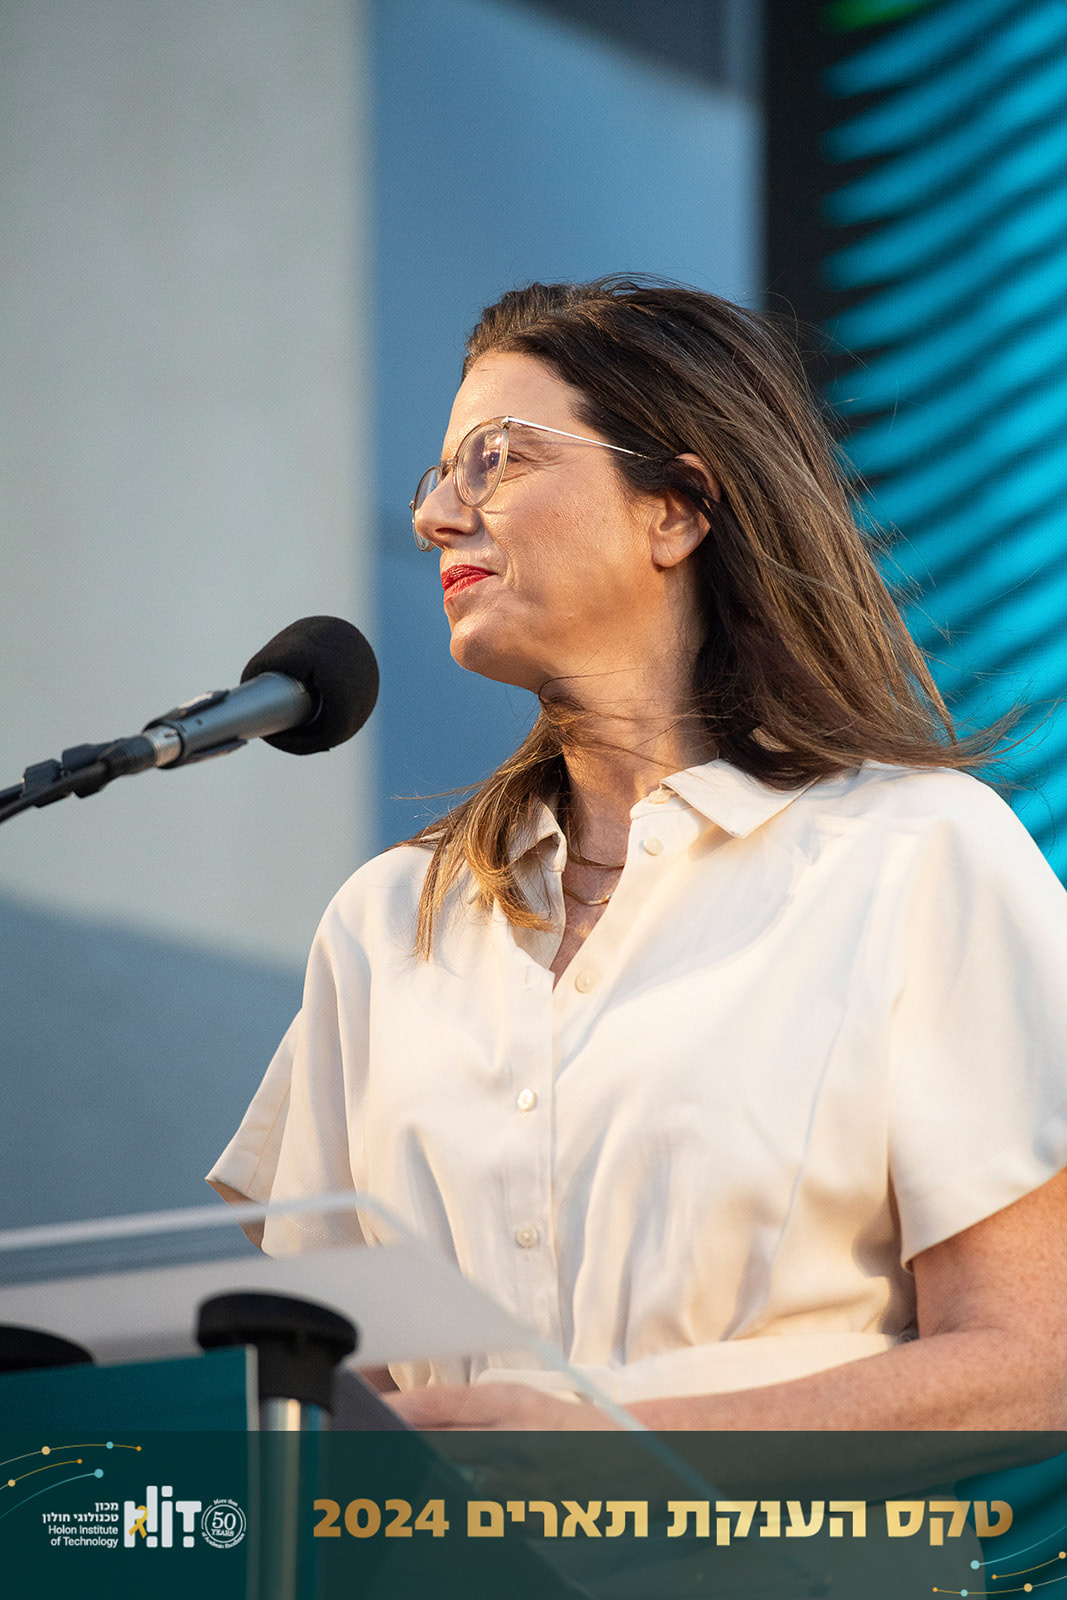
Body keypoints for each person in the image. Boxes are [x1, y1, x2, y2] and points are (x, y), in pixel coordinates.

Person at [209, 276, 1067, 1431]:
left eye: (495, 460)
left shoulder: (918, 855)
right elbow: (322, 1394)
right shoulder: (385, 921)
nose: (435, 517)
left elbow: (1032, 1360)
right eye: (437, 476)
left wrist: (605, 1439)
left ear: (676, 509)